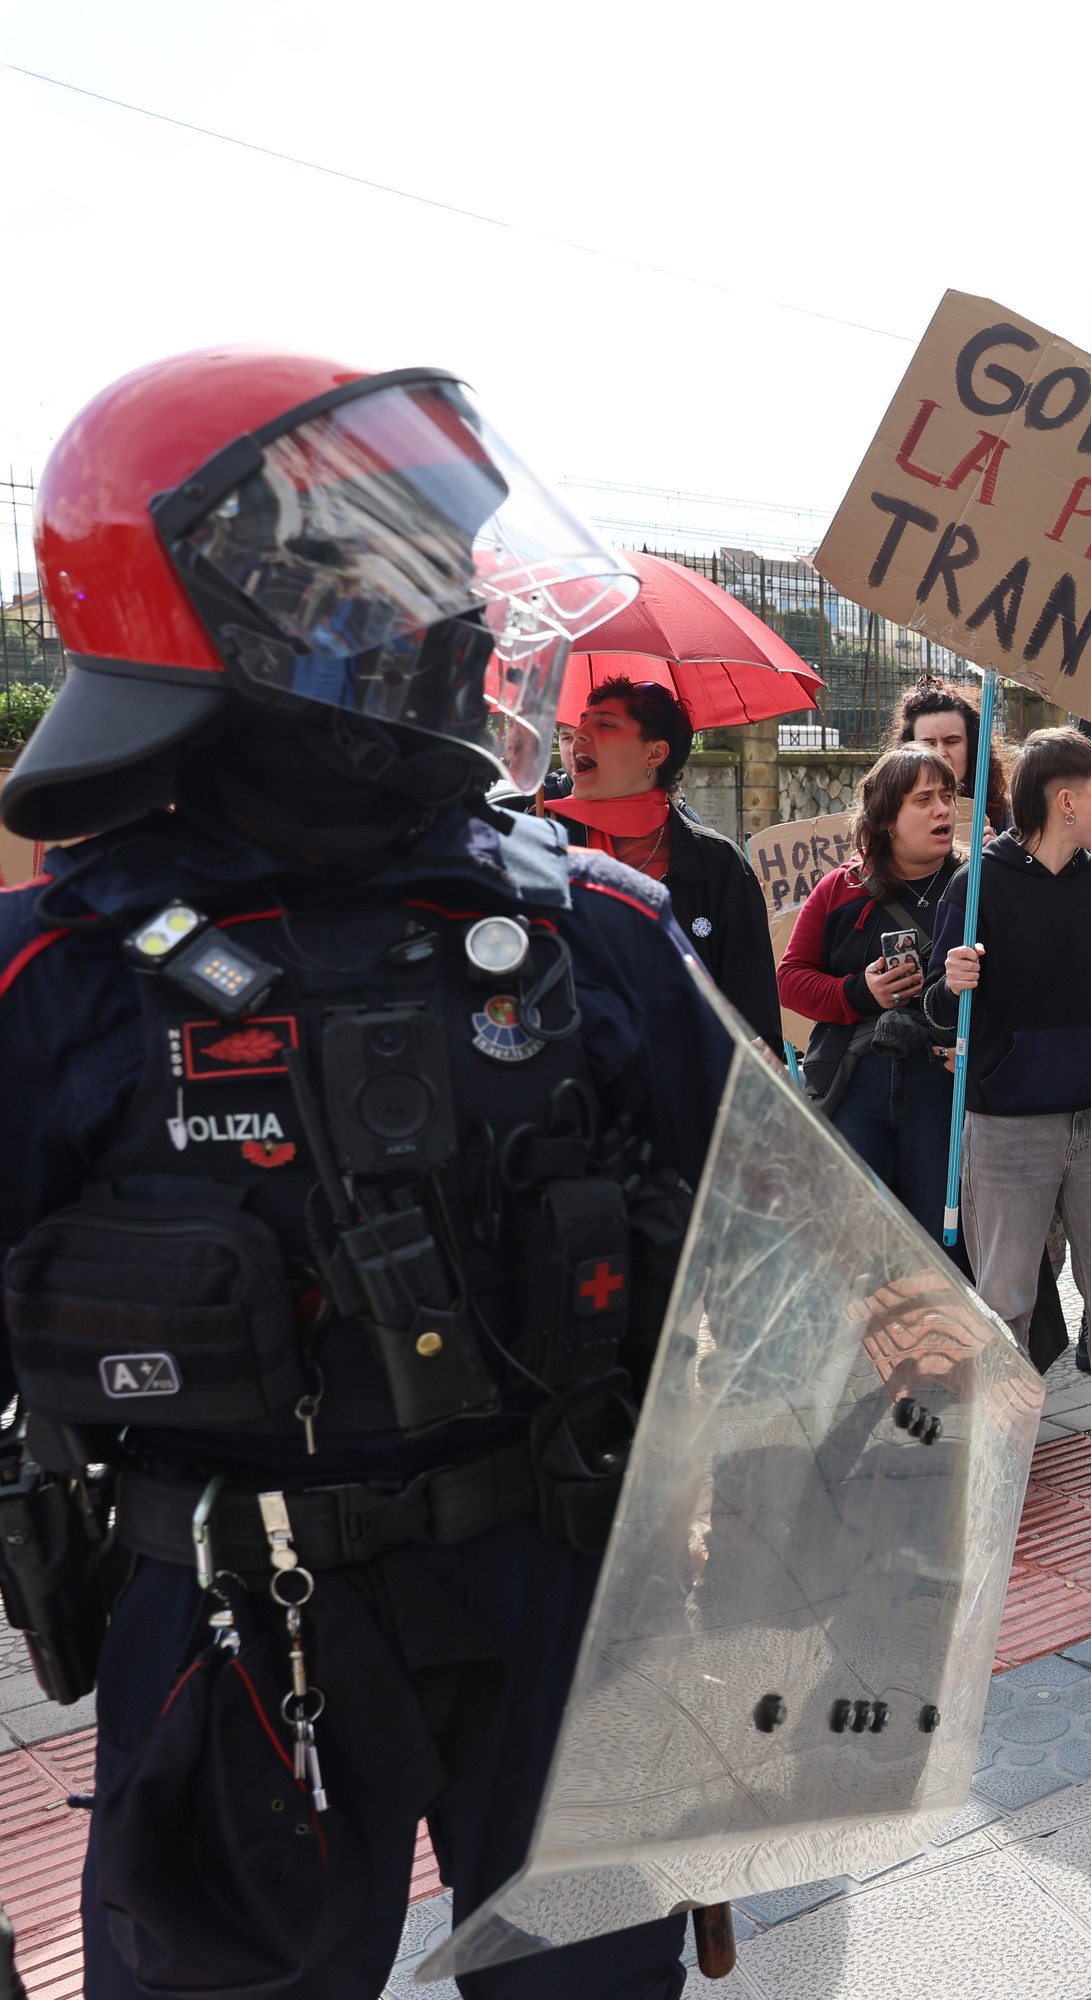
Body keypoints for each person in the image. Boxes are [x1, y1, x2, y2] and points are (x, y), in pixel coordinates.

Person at [0, 348, 731, 1998]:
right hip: (229, 1610)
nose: (463, 612)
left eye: (456, 562)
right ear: (234, 606)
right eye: (407, 569)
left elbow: (769, 1291)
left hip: (562, 1575)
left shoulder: (596, 933)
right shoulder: (54, 977)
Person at [928, 728, 1091, 1505]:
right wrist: (950, 983)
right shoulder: (974, 886)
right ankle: (996, 1454)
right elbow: (937, 1014)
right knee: (1006, 1301)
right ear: (1065, 801)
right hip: (1007, 1127)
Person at [777, 744, 966, 1252]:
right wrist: (861, 991)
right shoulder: (840, 888)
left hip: (944, 1087)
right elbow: (790, 979)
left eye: (947, 796)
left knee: (945, 1242)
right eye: (923, 799)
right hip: (856, 1081)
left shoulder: (975, 887)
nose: (942, 810)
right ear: (886, 819)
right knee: (855, 1242)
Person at [552, 674, 780, 1035]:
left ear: (655, 753)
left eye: (605, 724)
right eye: (581, 721)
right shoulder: (540, 841)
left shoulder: (719, 864)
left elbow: (755, 1016)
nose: (579, 733)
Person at [897, 680, 1013, 828]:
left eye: (951, 741)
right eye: (928, 744)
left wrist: (998, 843)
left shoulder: (1008, 816)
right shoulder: (891, 815)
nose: (940, 753)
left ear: (972, 747)